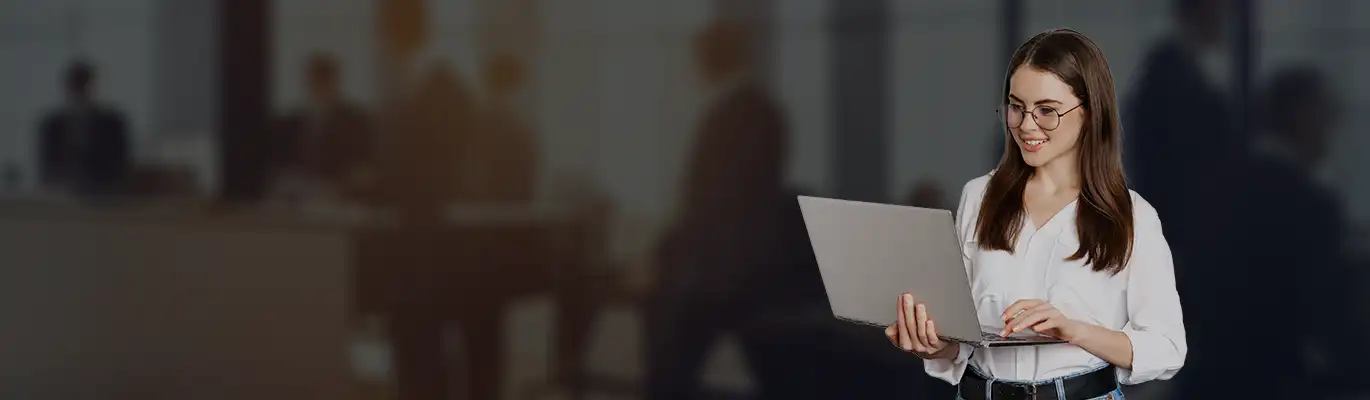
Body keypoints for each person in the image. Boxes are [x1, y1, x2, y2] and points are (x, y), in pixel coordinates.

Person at [884, 29, 1187, 400]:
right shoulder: (979, 197)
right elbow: (962, 341)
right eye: (1016, 107)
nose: (1027, 126)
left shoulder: (1131, 216)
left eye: (1047, 111)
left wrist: (1073, 330)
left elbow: (1167, 347)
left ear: (1090, 113)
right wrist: (930, 343)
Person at [37, 60, 131, 198]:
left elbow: (121, 164)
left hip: (102, 193)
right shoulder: (53, 124)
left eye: (82, 84)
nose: (79, 91)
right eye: (76, 85)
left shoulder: (111, 123)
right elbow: (47, 166)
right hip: (62, 193)